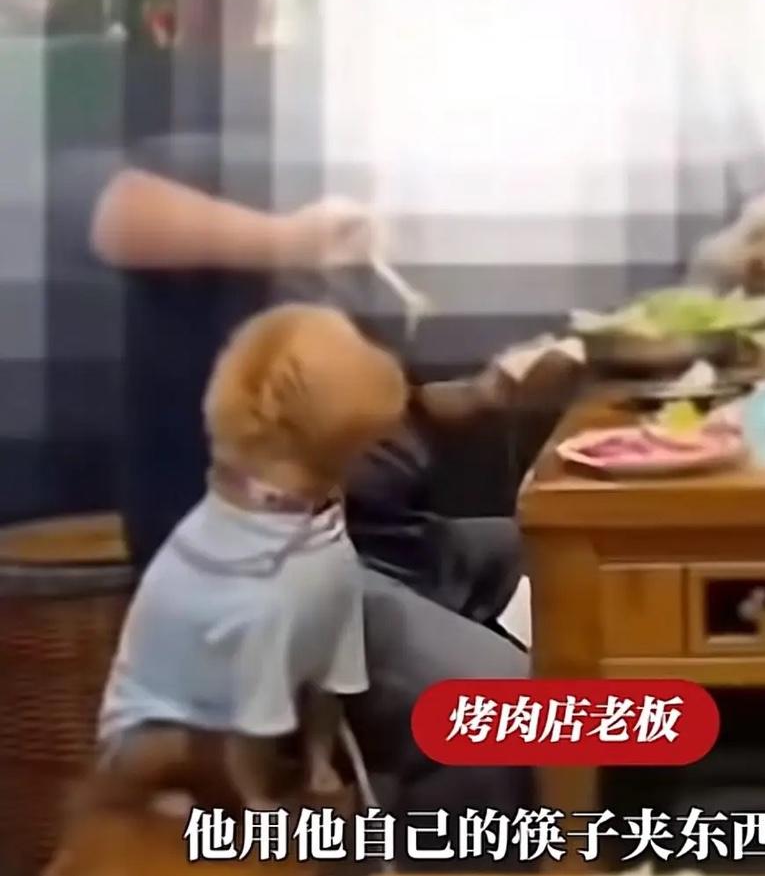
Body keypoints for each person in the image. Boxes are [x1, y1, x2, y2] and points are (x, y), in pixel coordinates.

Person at [51, 133, 531, 846]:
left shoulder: (338, 285)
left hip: (385, 537)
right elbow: (109, 210)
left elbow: (396, 407)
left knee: (563, 553)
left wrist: (490, 392)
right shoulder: (205, 187)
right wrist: (294, 239)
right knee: (504, 709)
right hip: (276, 566)